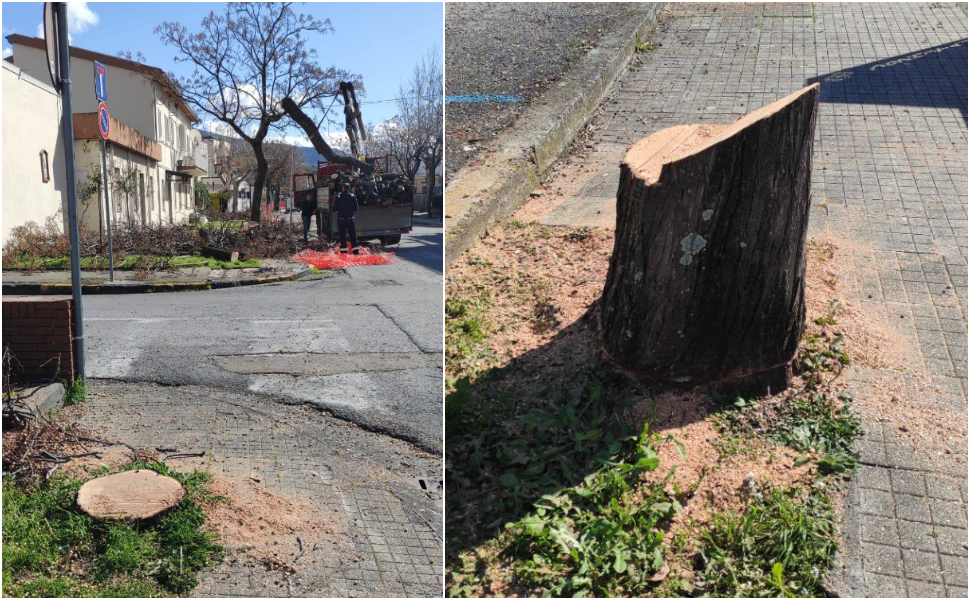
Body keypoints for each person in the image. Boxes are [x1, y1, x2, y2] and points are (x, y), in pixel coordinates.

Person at [333, 182, 360, 254]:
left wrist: (338, 211)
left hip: (341, 219)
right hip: (350, 219)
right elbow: (356, 209)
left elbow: (334, 209)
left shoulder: (339, 197)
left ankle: (344, 251)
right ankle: (356, 251)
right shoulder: (353, 196)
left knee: (342, 235)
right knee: (353, 234)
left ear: (343, 188)